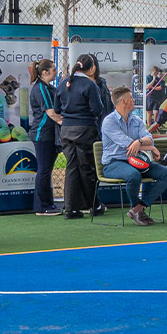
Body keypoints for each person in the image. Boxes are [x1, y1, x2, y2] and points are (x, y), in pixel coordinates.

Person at [100, 87, 167, 226]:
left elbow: (148, 138)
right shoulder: (109, 121)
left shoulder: (136, 120)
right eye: (131, 98)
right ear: (123, 102)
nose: (133, 100)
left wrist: (141, 142)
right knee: (134, 176)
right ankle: (137, 210)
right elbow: (127, 144)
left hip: (137, 160)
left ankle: (138, 208)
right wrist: (149, 147)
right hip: (114, 163)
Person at [58, 53, 111, 219]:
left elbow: (57, 109)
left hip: (66, 130)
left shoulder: (63, 84)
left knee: (71, 168)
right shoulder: (90, 85)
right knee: (87, 168)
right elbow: (98, 109)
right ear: (93, 68)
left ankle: (71, 209)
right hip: (85, 130)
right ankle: (94, 205)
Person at [28, 59, 62, 216]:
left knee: (46, 169)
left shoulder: (48, 87)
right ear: (45, 73)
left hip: (50, 134)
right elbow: (51, 112)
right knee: (44, 170)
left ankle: (47, 204)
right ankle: (43, 206)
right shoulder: (41, 88)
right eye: (54, 70)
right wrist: (66, 123)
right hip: (43, 134)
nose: (56, 72)